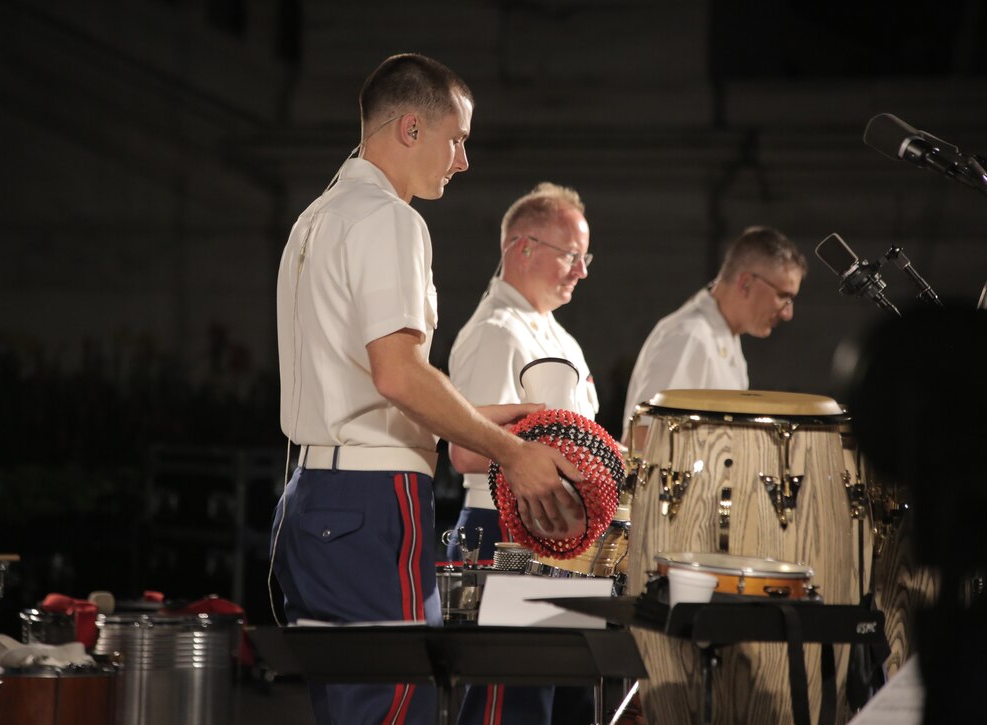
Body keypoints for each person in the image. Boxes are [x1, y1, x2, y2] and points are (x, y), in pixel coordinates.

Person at [271, 54, 584, 725]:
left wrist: (511, 416)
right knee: (397, 712)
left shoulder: (316, 217)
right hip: (371, 501)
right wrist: (513, 449)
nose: (463, 160)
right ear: (411, 128)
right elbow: (399, 374)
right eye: (457, 138)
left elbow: (368, 388)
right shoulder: (391, 218)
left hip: (311, 498)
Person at [445, 182, 598, 725]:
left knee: (558, 704)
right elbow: (464, 452)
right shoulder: (495, 333)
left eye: (586, 257)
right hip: (504, 532)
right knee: (509, 707)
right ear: (522, 247)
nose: (582, 270)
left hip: (556, 538)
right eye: (571, 255)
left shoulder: (557, 337)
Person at [621, 226, 807, 451]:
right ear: (746, 283)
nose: (788, 313)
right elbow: (643, 439)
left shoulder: (725, 336)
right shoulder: (690, 336)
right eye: (783, 296)